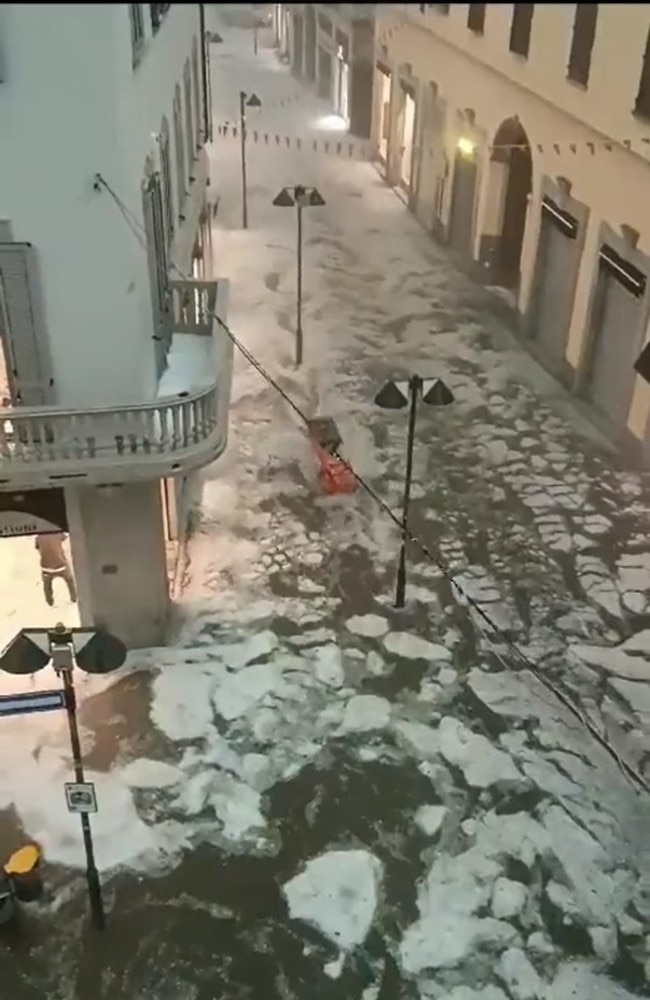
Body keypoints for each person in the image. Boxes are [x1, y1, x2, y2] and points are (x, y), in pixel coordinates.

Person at [35, 533, 77, 606]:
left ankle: (50, 602)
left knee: (47, 583)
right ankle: (74, 599)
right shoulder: (58, 533)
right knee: (70, 579)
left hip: (46, 567)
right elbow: (66, 542)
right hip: (60, 565)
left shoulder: (38, 537)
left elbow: (38, 549)